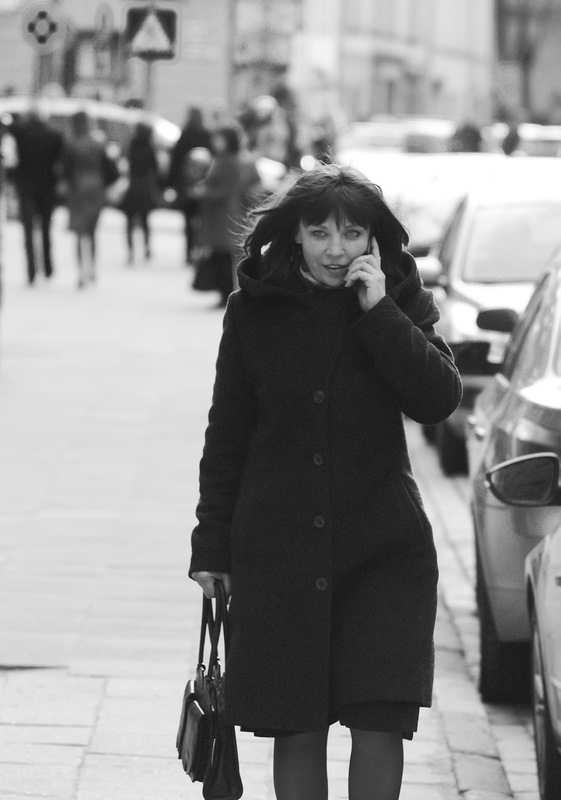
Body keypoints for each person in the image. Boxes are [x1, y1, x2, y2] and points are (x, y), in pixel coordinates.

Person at [189, 163, 462, 800]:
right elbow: (227, 437)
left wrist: (380, 313)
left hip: (384, 553)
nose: (336, 250)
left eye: (352, 233)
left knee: (380, 723)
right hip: (279, 552)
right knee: (298, 726)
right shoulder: (254, 310)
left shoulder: (400, 299)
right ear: (296, 235)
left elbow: (437, 400)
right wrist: (211, 545)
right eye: (320, 233)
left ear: (373, 238)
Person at [191, 125, 243, 308]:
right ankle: (223, 291)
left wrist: (204, 192)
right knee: (218, 253)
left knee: (223, 254)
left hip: (223, 213)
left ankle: (226, 291)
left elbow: (227, 189)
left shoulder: (229, 161)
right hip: (217, 213)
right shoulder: (222, 158)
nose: (216, 142)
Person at [10, 108, 63, 285]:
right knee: (46, 228)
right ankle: (47, 266)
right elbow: (59, 161)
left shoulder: (20, 132)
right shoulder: (53, 135)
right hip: (47, 187)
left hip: (26, 187)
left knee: (28, 230)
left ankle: (31, 271)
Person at [62, 111, 107, 288]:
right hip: (96, 188)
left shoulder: (71, 144)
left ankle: (81, 271)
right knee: (92, 232)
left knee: (80, 233)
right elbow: (108, 168)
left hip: (78, 189)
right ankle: (92, 268)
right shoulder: (97, 143)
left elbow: (66, 170)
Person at [168, 106, 213, 263]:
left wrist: (172, 183)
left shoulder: (185, 135)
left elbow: (175, 161)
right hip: (203, 183)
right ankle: (198, 248)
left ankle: (189, 250)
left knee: (188, 219)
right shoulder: (206, 135)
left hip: (186, 184)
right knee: (201, 218)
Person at [121, 122, 160, 263]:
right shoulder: (150, 148)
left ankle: (130, 250)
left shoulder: (131, 146)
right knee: (145, 220)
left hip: (133, 185)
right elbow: (155, 168)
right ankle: (147, 247)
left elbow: (125, 162)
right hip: (145, 186)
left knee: (130, 220)